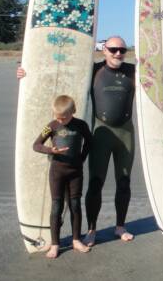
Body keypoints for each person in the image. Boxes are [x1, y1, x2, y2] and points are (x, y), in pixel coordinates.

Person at [18, 36, 136, 245]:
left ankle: (120, 226)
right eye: (113, 49)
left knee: (124, 182)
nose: (118, 53)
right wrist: (26, 73)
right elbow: (59, 70)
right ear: (104, 50)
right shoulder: (93, 70)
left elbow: (162, 80)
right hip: (101, 131)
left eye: (122, 50)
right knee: (96, 182)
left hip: (125, 134)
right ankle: (91, 229)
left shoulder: (133, 71)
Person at [32, 95, 92, 258]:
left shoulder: (81, 125)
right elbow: (36, 145)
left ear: (73, 111)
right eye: (57, 116)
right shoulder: (51, 126)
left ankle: (76, 240)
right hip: (57, 172)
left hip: (75, 172)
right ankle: (55, 244)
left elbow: (89, 142)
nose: (60, 120)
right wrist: (51, 150)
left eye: (63, 117)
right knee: (57, 207)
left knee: (75, 205)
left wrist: (82, 157)